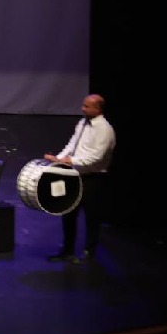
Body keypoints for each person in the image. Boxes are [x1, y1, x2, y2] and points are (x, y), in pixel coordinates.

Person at [45, 94, 116, 263]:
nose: (82, 108)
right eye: (83, 105)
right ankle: (67, 250)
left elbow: (96, 158)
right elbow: (72, 145)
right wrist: (58, 160)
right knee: (68, 213)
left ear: (97, 109)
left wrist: (70, 161)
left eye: (86, 106)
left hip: (93, 178)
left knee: (91, 217)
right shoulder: (82, 123)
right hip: (74, 175)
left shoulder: (105, 129)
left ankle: (89, 253)